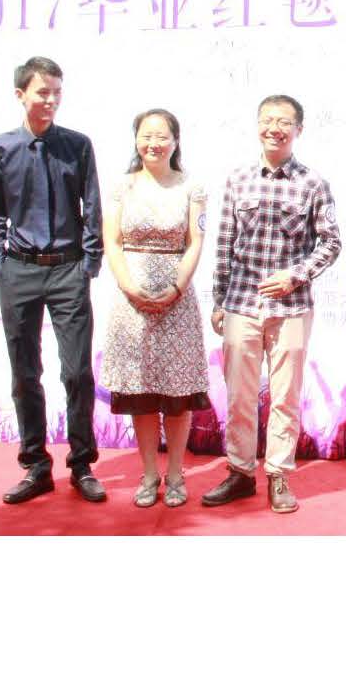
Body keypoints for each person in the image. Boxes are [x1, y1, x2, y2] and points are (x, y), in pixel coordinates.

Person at [206, 94, 341, 514]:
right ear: (257, 125)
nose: (274, 128)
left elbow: (331, 242)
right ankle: (240, 473)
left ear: (298, 129)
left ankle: (279, 475)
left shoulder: (313, 183)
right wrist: (219, 300)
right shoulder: (238, 179)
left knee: (285, 396)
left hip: (292, 307)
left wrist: (295, 275)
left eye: (284, 121)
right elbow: (224, 243)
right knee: (240, 396)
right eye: (267, 120)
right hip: (241, 302)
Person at [0, 55, 107, 504]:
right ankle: (36, 465)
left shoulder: (77, 145)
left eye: (57, 92)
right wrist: (0, 263)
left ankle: (82, 464)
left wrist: (89, 264)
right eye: (42, 92)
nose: (51, 100)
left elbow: (92, 206)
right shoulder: (0, 149)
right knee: (24, 373)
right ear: (21, 95)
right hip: (19, 270)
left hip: (69, 269)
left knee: (77, 372)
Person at [101, 108, 210, 509]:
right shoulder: (122, 186)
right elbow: (112, 242)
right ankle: (149, 474)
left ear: (175, 141)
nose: (154, 143)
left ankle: (176, 474)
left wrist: (176, 287)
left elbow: (195, 242)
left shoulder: (192, 187)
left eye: (162, 136)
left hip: (177, 302)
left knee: (178, 394)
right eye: (146, 136)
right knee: (142, 393)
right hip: (131, 302)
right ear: (136, 140)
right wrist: (129, 287)